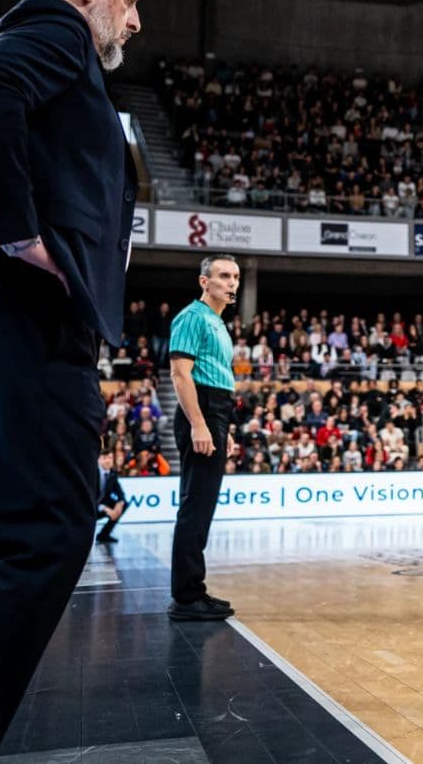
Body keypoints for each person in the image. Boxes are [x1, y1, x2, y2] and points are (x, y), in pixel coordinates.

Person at [0, 0, 148, 751]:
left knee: (17, 525)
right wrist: (16, 229)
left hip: (23, 321)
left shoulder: (53, 47)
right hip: (29, 319)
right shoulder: (54, 30)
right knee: (47, 529)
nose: (135, 17)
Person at [167, 256, 240, 621]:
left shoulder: (218, 323)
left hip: (217, 410)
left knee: (203, 506)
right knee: (196, 506)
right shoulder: (193, 317)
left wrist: (226, 428)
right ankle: (186, 596)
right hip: (204, 409)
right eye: (224, 276)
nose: (232, 283)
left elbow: (222, 377)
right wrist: (199, 424)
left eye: (236, 277)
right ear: (203, 281)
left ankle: (193, 590)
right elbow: (181, 374)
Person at [95, 450, 127, 544]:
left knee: (124, 504)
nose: (108, 461)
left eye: (110, 458)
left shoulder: (112, 473)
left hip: (101, 505)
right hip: (89, 508)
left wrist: (120, 503)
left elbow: (120, 492)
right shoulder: (93, 473)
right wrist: (105, 508)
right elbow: (89, 497)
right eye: (105, 458)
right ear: (98, 460)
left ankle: (104, 535)